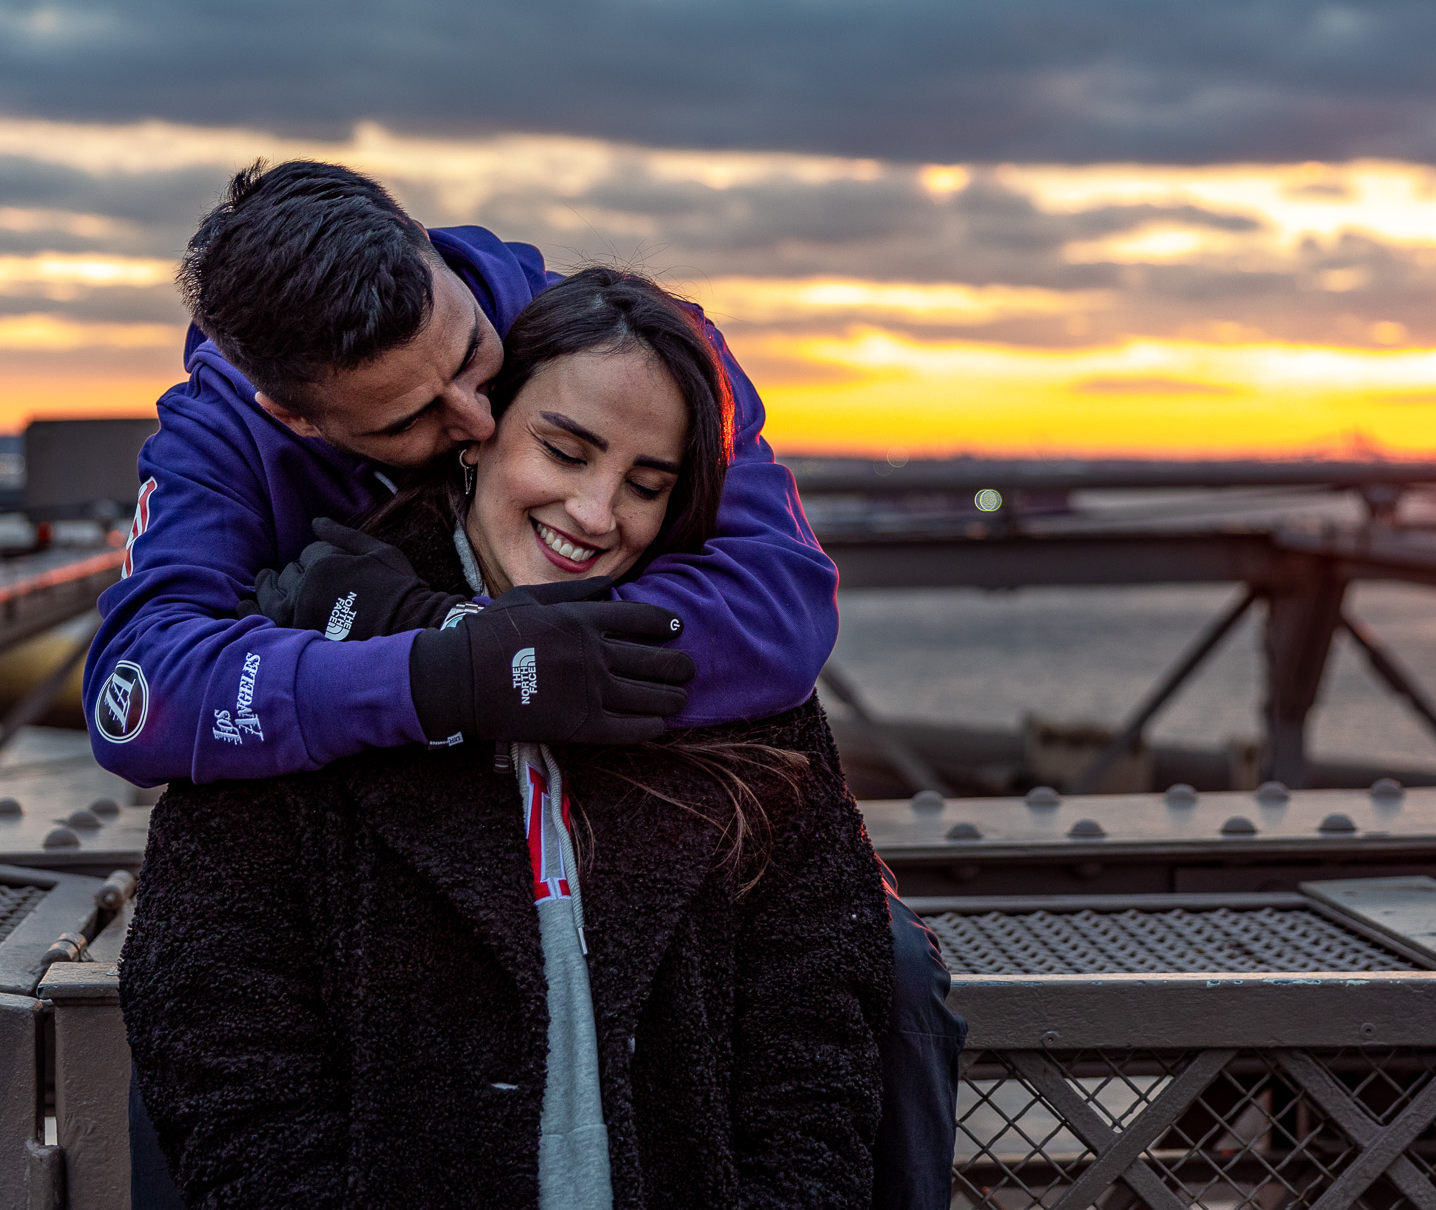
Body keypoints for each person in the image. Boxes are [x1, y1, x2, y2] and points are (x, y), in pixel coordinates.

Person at [101, 163, 965, 1210]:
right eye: (410, 419)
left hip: (635, 881)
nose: (470, 415)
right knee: (195, 1026)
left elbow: (780, 598)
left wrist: (477, 644)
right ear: (296, 417)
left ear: (428, 249)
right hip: (377, 888)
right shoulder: (222, 432)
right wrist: (437, 670)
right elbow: (144, 690)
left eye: (474, 360)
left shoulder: (618, 341)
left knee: (895, 981)